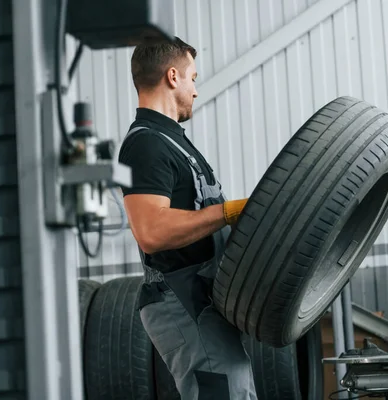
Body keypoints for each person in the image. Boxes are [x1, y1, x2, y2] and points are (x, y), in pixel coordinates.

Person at [118, 36, 258, 400]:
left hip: (203, 301)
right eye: (194, 77)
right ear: (173, 76)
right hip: (181, 302)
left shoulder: (173, 141)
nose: (196, 90)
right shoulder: (146, 143)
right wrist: (227, 212)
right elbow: (151, 231)